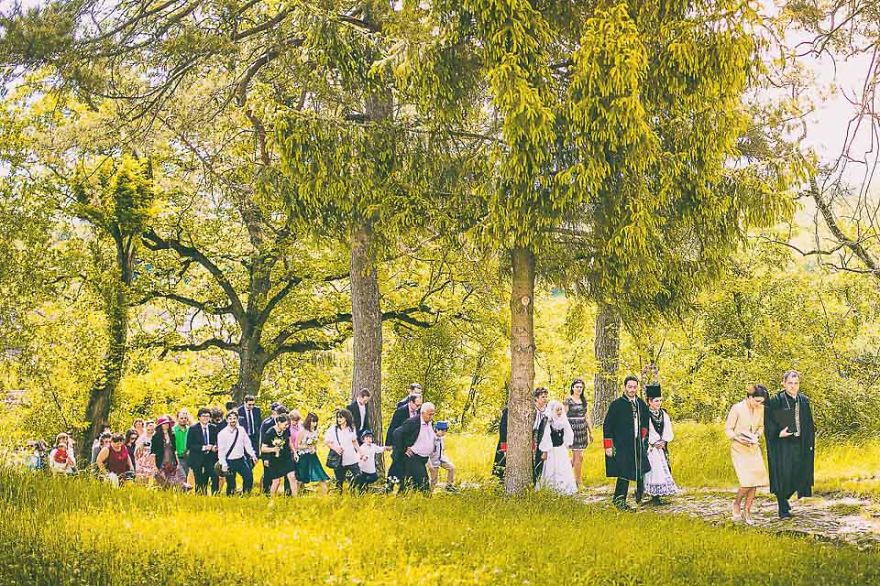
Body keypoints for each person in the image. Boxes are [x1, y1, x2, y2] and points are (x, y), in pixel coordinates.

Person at [765, 370, 816, 519]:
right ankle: (782, 508)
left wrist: (810, 442)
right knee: (784, 475)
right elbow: (768, 422)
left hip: (800, 443)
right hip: (783, 445)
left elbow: (809, 423)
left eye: (796, 383)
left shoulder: (804, 400)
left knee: (800, 473)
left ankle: (784, 499)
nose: (793, 386)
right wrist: (777, 433)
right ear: (784, 383)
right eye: (790, 383)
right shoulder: (776, 400)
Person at [603, 375, 650, 509]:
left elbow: (645, 421)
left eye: (635, 387)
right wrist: (608, 446)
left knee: (640, 469)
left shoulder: (640, 403)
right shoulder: (617, 405)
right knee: (624, 471)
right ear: (624, 387)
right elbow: (607, 425)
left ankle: (640, 496)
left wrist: (643, 436)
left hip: (636, 444)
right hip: (621, 444)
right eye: (630, 387)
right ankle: (619, 500)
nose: (632, 389)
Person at [726, 384, 770, 524]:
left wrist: (756, 436)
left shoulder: (761, 409)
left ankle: (747, 510)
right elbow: (728, 429)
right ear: (749, 397)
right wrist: (738, 438)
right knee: (746, 481)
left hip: (753, 447)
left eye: (761, 402)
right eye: (756, 401)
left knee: (755, 480)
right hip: (739, 448)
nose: (759, 404)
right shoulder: (737, 408)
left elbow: (762, 427)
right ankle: (737, 503)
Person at [642, 384, 678, 504]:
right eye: (656, 401)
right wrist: (651, 442)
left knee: (661, 470)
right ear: (649, 401)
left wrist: (664, 441)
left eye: (660, 401)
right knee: (652, 471)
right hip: (650, 448)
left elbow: (668, 428)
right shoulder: (644, 414)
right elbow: (642, 431)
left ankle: (658, 496)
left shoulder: (664, 414)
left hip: (660, 447)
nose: (659, 403)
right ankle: (652, 496)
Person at [392, 402, 437, 493]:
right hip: (414, 457)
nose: (431, 417)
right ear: (423, 413)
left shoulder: (430, 423)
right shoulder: (413, 422)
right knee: (423, 483)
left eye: (433, 414)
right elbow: (397, 433)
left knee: (409, 483)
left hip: (424, 458)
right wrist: (404, 449)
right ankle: (427, 501)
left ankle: (401, 498)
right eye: (429, 414)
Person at [535, 400, 577, 495]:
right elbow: (545, 437)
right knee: (551, 469)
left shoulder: (563, 421)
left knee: (563, 469)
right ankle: (551, 489)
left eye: (560, 410)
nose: (559, 412)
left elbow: (568, 433)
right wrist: (545, 451)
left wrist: (567, 445)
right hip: (551, 451)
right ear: (552, 410)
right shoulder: (548, 422)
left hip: (561, 450)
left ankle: (564, 488)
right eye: (557, 410)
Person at [385, 394, 423, 488]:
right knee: (396, 464)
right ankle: (389, 486)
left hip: (411, 444)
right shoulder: (401, 411)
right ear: (411, 402)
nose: (418, 407)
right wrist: (388, 443)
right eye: (417, 405)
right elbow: (393, 427)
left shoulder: (419, 413)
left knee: (408, 465)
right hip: (399, 443)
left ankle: (404, 486)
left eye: (420, 405)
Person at [217, 411, 258, 496]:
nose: (233, 420)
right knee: (231, 483)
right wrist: (223, 463)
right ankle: (230, 499)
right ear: (227, 420)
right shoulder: (222, 433)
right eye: (230, 418)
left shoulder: (241, 430)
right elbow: (221, 450)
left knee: (248, 477)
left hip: (241, 460)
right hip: (229, 461)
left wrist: (252, 455)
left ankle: (246, 495)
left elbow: (247, 443)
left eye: (234, 418)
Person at [565, 378, 592, 490]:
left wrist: (591, 432)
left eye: (581, 387)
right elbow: (563, 416)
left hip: (582, 430)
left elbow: (587, 417)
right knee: (578, 456)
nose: (579, 389)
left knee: (579, 458)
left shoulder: (584, 401)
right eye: (577, 387)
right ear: (572, 388)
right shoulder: (568, 401)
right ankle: (578, 482)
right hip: (572, 430)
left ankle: (564, 474)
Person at [261, 413, 298, 496]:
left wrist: (295, 453)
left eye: (288, 424)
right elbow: (263, 448)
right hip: (274, 459)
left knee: (292, 477)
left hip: (286, 457)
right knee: (276, 481)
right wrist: (273, 449)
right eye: (285, 424)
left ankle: (296, 499)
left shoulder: (286, 430)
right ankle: (272, 499)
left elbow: (289, 442)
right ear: (278, 422)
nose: (287, 426)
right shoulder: (270, 432)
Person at [324, 409, 360, 492]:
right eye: (337, 417)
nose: (339, 419)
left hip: (351, 457)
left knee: (358, 475)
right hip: (339, 458)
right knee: (339, 480)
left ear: (346, 418)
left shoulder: (351, 428)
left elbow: (354, 441)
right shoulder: (333, 429)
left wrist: (360, 452)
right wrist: (336, 448)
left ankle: (352, 489)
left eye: (341, 417)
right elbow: (327, 441)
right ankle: (339, 495)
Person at [295, 412, 330, 494]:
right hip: (303, 456)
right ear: (308, 421)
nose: (314, 424)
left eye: (316, 421)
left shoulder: (315, 431)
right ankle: (296, 494)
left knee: (320, 474)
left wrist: (314, 448)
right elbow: (297, 445)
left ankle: (325, 495)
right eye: (312, 421)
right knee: (301, 477)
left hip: (312, 455)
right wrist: (307, 446)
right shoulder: (302, 431)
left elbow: (315, 443)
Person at [187, 407, 220, 494]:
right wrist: (204, 447)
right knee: (199, 479)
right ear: (199, 417)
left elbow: (218, 441)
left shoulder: (214, 428)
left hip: (211, 457)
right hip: (197, 457)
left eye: (208, 416)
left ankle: (215, 494)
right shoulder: (193, 429)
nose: (205, 418)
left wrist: (215, 447)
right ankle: (200, 496)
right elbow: (189, 445)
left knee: (214, 475)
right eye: (203, 416)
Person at [151, 415, 187, 489]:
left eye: (167, 423)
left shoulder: (172, 435)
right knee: (163, 480)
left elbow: (174, 450)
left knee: (180, 476)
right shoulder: (156, 437)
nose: (166, 425)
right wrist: (154, 465)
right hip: (161, 460)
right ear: (160, 425)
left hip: (171, 459)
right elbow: (153, 452)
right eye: (164, 424)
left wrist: (178, 462)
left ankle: (182, 488)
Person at [429, 421, 457, 492]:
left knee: (452, 468)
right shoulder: (432, 438)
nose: (443, 433)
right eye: (442, 431)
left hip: (441, 459)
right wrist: (429, 464)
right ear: (437, 429)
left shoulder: (441, 438)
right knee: (434, 480)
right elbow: (428, 452)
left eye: (445, 431)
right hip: (433, 461)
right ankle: (429, 493)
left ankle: (449, 485)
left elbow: (442, 450)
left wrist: (444, 459)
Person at [532, 388, 549, 484]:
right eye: (542, 397)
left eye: (546, 396)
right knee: (535, 457)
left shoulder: (547, 409)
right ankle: (534, 479)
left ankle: (541, 480)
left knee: (543, 458)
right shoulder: (533, 409)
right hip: (535, 435)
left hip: (545, 435)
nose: (545, 399)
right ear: (536, 398)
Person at [172, 409, 191, 482]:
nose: (183, 420)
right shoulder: (173, 430)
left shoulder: (190, 430)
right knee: (181, 476)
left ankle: (182, 492)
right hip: (177, 457)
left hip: (188, 457)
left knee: (185, 476)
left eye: (185, 418)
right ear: (177, 419)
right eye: (181, 418)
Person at [492, 406, 508, 482]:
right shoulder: (508, 411)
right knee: (500, 462)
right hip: (504, 441)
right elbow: (502, 428)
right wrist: (504, 445)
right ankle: (497, 481)